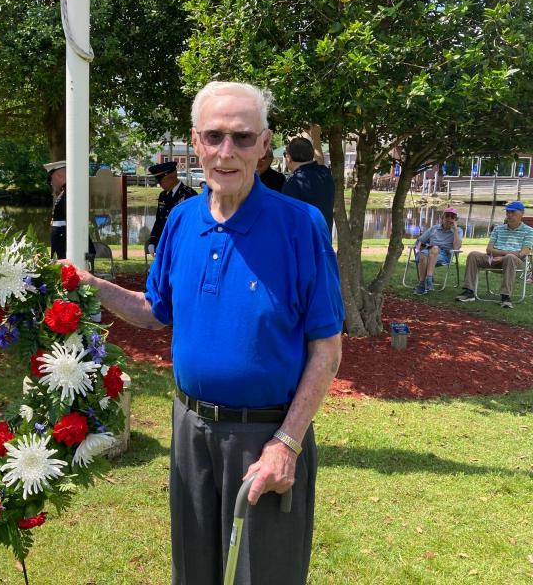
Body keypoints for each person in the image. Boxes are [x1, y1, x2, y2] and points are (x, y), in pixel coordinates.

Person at [65, 81, 343, 585]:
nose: (226, 151)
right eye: (214, 136)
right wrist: (90, 285)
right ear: (195, 142)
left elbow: (327, 349)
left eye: (242, 137)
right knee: (193, 572)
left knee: (263, 577)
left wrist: (287, 443)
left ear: (265, 145)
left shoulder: (300, 225)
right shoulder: (180, 219)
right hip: (190, 429)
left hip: (266, 436)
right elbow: (155, 310)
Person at [456, 201, 533, 308]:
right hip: (494, 260)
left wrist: (503, 256)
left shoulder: (529, 231)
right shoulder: (498, 229)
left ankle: (505, 296)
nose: (509, 215)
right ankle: (469, 292)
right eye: (507, 212)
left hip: (516, 263)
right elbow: (489, 250)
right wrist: (502, 255)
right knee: (473, 255)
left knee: (510, 257)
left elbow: (523, 253)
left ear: (522, 213)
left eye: (512, 212)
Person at [43, 160, 96, 260]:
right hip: (63, 240)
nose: (50, 183)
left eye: (50, 179)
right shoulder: (68, 192)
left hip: (65, 242)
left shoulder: (70, 193)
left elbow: (74, 221)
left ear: (58, 175)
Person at [282, 137, 335, 234]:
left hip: (304, 242)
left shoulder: (294, 182)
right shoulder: (325, 174)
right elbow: (319, 160)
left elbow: (286, 217)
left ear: (289, 158)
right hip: (324, 239)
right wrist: (316, 136)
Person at [146, 161, 197, 256]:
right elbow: (159, 221)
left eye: (161, 181)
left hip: (182, 247)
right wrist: (153, 240)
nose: (160, 185)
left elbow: (192, 225)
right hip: (164, 246)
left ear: (172, 178)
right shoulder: (163, 195)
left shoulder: (189, 195)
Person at [412, 207, 463, 295]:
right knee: (424, 254)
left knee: (434, 249)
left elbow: (456, 248)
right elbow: (419, 242)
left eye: (452, 217)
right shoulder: (434, 228)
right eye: (447, 216)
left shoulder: (458, 231)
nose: (449, 219)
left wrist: (454, 231)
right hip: (428, 251)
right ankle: (426, 282)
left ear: (455, 220)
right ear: (442, 218)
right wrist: (419, 249)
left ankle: (424, 283)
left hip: (444, 255)